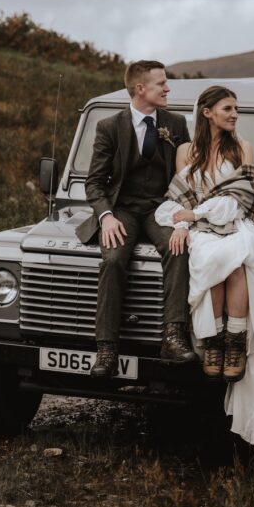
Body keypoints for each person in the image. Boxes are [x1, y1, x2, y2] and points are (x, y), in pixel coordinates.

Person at [155, 85, 254, 449]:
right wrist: (183, 223)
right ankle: (212, 342)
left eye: (236, 109)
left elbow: (243, 199)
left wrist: (196, 212)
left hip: (238, 222)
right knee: (209, 258)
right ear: (207, 112)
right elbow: (179, 196)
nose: (234, 114)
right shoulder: (186, 151)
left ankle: (234, 343)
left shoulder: (242, 148)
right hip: (201, 229)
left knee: (238, 259)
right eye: (227, 108)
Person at [75, 60, 197, 377]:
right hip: (123, 210)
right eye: (161, 83)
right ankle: (106, 350)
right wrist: (105, 217)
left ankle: (173, 335)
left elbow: (187, 175)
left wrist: (182, 218)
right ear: (140, 89)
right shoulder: (109, 127)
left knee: (177, 248)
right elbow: (94, 182)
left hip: (162, 207)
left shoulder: (176, 123)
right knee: (113, 258)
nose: (168, 88)